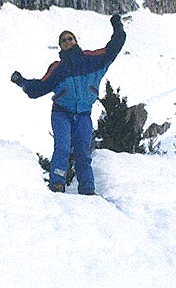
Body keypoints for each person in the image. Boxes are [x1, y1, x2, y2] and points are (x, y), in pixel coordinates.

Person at [11, 14, 126, 194]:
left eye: (69, 38)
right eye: (63, 40)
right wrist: (22, 82)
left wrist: (117, 26)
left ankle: (87, 187)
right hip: (61, 114)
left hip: (83, 115)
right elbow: (38, 89)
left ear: (75, 41)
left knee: (83, 153)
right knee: (62, 148)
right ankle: (57, 183)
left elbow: (114, 47)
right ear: (60, 46)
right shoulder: (58, 68)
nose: (67, 41)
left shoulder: (92, 59)